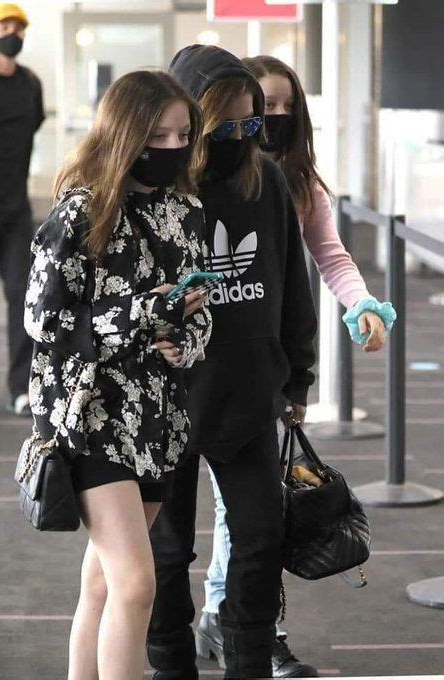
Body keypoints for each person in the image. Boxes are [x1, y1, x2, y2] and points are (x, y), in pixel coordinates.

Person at [195, 54, 397, 678]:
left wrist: (362, 302)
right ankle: (225, 619)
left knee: (250, 514)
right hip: (200, 374)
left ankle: (236, 623)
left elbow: (330, 257)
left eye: (284, 106)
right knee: (237, 517)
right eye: (263, 105)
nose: (273, 117)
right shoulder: (194, 176)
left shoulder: (298, 181)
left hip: (266, 369)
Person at [23, 70, 212, 680]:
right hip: (88, 415)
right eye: (157, 136)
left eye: (183, 135)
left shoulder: (187, 211)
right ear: (124, 134)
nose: (173, 148)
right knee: (135, 585)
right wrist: (143, 313)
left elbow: (199, 311)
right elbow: (42, 318)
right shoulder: (79, 212)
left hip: (157, 416)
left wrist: (185, 338)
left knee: (105, 585)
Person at [148, 45, 317, 679]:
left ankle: (247, 662)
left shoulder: (264, 178)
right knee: (167, 557)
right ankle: (170, 667)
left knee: (259, 542)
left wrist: (299, 375)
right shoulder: (158, 186)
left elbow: (291, 287)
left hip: (248, 396)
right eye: (229, 126)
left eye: (254, 125)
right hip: (167, 403)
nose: (245, 137)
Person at [0, 3, 45, 416]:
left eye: (18, 27)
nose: (14, 33)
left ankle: (21, 388)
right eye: (5, 26)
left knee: (24, 295)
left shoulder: (30, 84)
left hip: (14, 209)